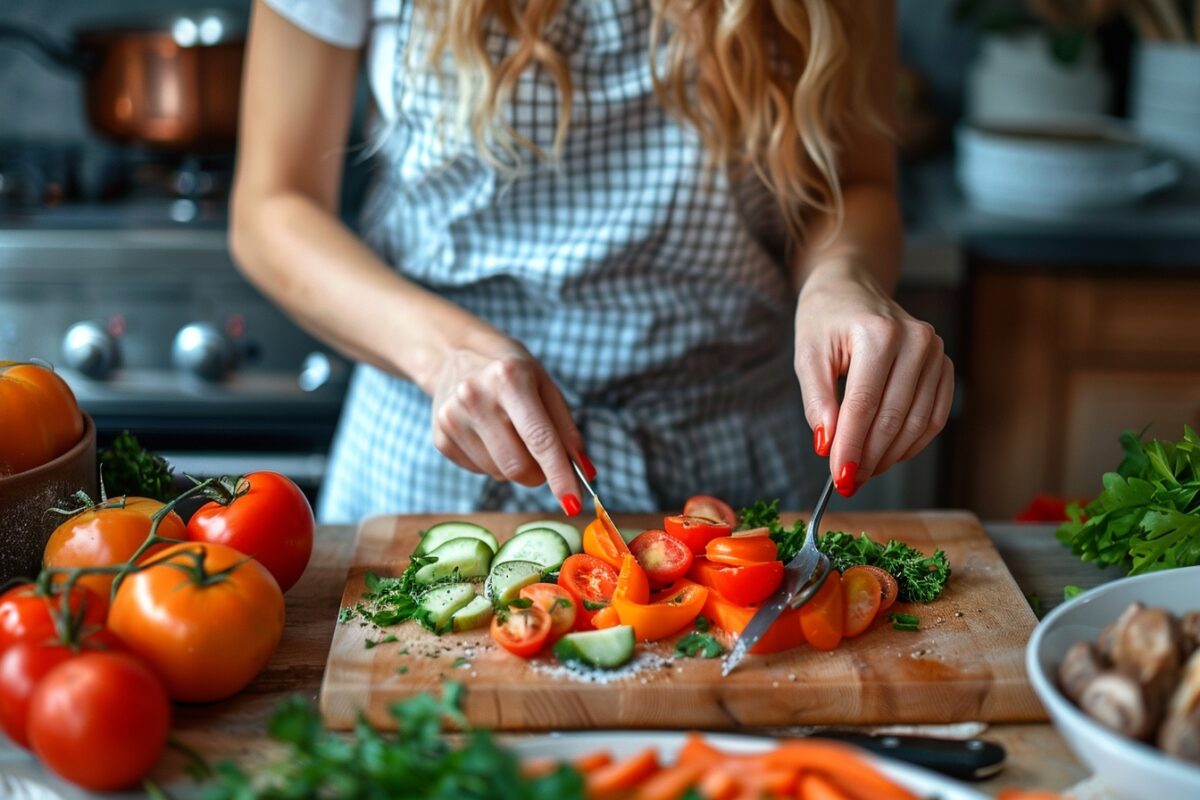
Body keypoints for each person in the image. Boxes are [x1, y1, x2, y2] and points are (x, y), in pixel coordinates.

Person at [230, 0, 953, 522]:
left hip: (738, 463)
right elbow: (272, 207)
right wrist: (444, 354)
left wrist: (841, 279)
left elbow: (857, 182)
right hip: (439, 464)